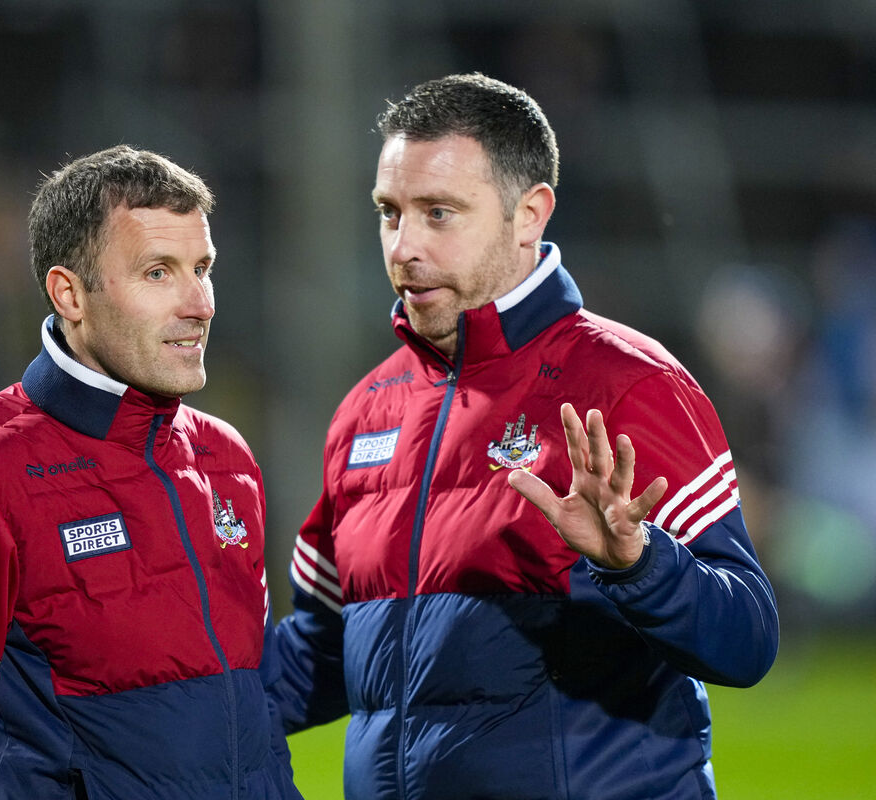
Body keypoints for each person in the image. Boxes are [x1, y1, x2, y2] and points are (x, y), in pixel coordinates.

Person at [268, 73, 779, 800]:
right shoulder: (367, 411)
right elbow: (321, 652)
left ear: (529, 214)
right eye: (390, 212)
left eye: (439, 213)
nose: (404, 245)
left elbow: (748, 637)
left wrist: (639, 565)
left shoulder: (627, 384)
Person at [0, 145, 302, 800]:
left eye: (202, 268)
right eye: (158, 273)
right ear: (70, 293)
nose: (200, 303)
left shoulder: (226, 459)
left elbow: (252, 703)